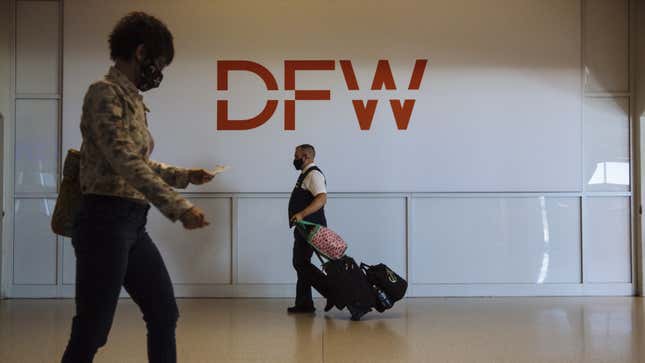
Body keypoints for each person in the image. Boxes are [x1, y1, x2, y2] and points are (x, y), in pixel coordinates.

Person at [61, 12, 216, 363]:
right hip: (104, 222)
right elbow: (125, 161)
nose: (160, 72)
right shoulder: (104, 93)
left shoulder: (133, 101)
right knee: (93, 329)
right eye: (160, 63)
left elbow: (137, 161)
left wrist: (185, 175)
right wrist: (179, 207)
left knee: (164, 313)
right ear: (142, 53)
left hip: (132, 223)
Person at [287, 144, 332, 313]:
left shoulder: (313, 174)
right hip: (304, 228)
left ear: (305, 156)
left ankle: (330, 291)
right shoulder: (305, 175)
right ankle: (304, 303)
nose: (294, 159)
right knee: (301, 262)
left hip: (312, 227)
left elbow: (321, 198)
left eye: (296, 155)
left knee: (300, 263)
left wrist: (301, 214)